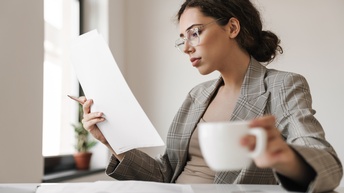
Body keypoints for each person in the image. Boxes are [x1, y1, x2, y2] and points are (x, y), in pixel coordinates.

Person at [77, 0, 343, 192]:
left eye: (195, 32)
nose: (186, 47)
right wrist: (112, 141)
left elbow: (328, 165)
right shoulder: (197, 95)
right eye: (182, 39)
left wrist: (285, 156)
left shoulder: (282, 85)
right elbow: (164, 174)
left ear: (232, 27)